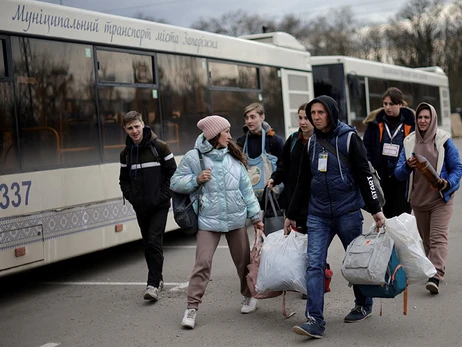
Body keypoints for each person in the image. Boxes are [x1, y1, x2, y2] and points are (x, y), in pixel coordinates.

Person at [285, 96, 385, 339]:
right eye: (312, 113)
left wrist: (375, 209)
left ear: (331, 113)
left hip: (347, 212)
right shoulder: (311, 143)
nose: (315, 117)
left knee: (357, 262)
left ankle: (363, 304)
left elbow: (365, 175)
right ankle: (315, 320)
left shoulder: (350, 138)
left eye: (320, 112)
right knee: (314, 264)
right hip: (317, 215)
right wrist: (291, 214)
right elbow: (303, 182)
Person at [170, 115, 264, 329]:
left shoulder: (233, 156)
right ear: (214, 135)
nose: (230, 135)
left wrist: (256, 218)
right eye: (226, 131)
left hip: (236, 219)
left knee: (243, 263)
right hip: (207, 221)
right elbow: (175, 182)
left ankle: (249, 296)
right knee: (202, 264)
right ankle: (191, 308)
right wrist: (196, 180)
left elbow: (247, 191)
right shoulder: (194, 158)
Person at [394, 102, 462, 294]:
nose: (423, 121)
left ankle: (435, 276)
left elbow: (457, 167)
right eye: (420, 117)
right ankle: (433, 267)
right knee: (426, 242)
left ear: (433, 119)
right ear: (416, 119)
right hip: (418, 200)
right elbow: (398, 173)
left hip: (441, 198)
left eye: (427, 117)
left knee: (438, 238)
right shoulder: (409, 141)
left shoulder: (443, 140)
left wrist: (447, 183)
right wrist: (407, 165)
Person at [119, 110, 177, 301]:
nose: (134, 131)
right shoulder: (125, 154)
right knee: (149, 244)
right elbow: (123, 180)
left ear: (143, 125)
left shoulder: (160, 148)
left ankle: (152, 285)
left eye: (136, 126)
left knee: (153, 240)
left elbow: (173, 174)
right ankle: (158, 278)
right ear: (125, 130)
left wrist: (163, 196)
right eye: (130, 128)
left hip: (159, 205)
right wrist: (132, 197)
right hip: (140, 207)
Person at [363, 87, 415, 218]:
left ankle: (403, 239)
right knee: (388, 216)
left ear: (401, 104)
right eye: (385, 104)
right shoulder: (374, 124)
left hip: (404, 178)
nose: (387, 107)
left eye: (391, 104)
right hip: (382, 178)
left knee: (404, 217)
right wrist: (371, 168)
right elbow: (366, 148)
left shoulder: (411, 123)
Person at [266, 103, 313, 233]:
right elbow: (283, 165)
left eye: (306, 118)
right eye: (300, 118)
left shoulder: (321, 141)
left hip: (314, 201)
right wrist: (274, 179)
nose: (302, 122)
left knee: (314, 242)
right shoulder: (293, 140)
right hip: (294, 200)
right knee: (296, 240)